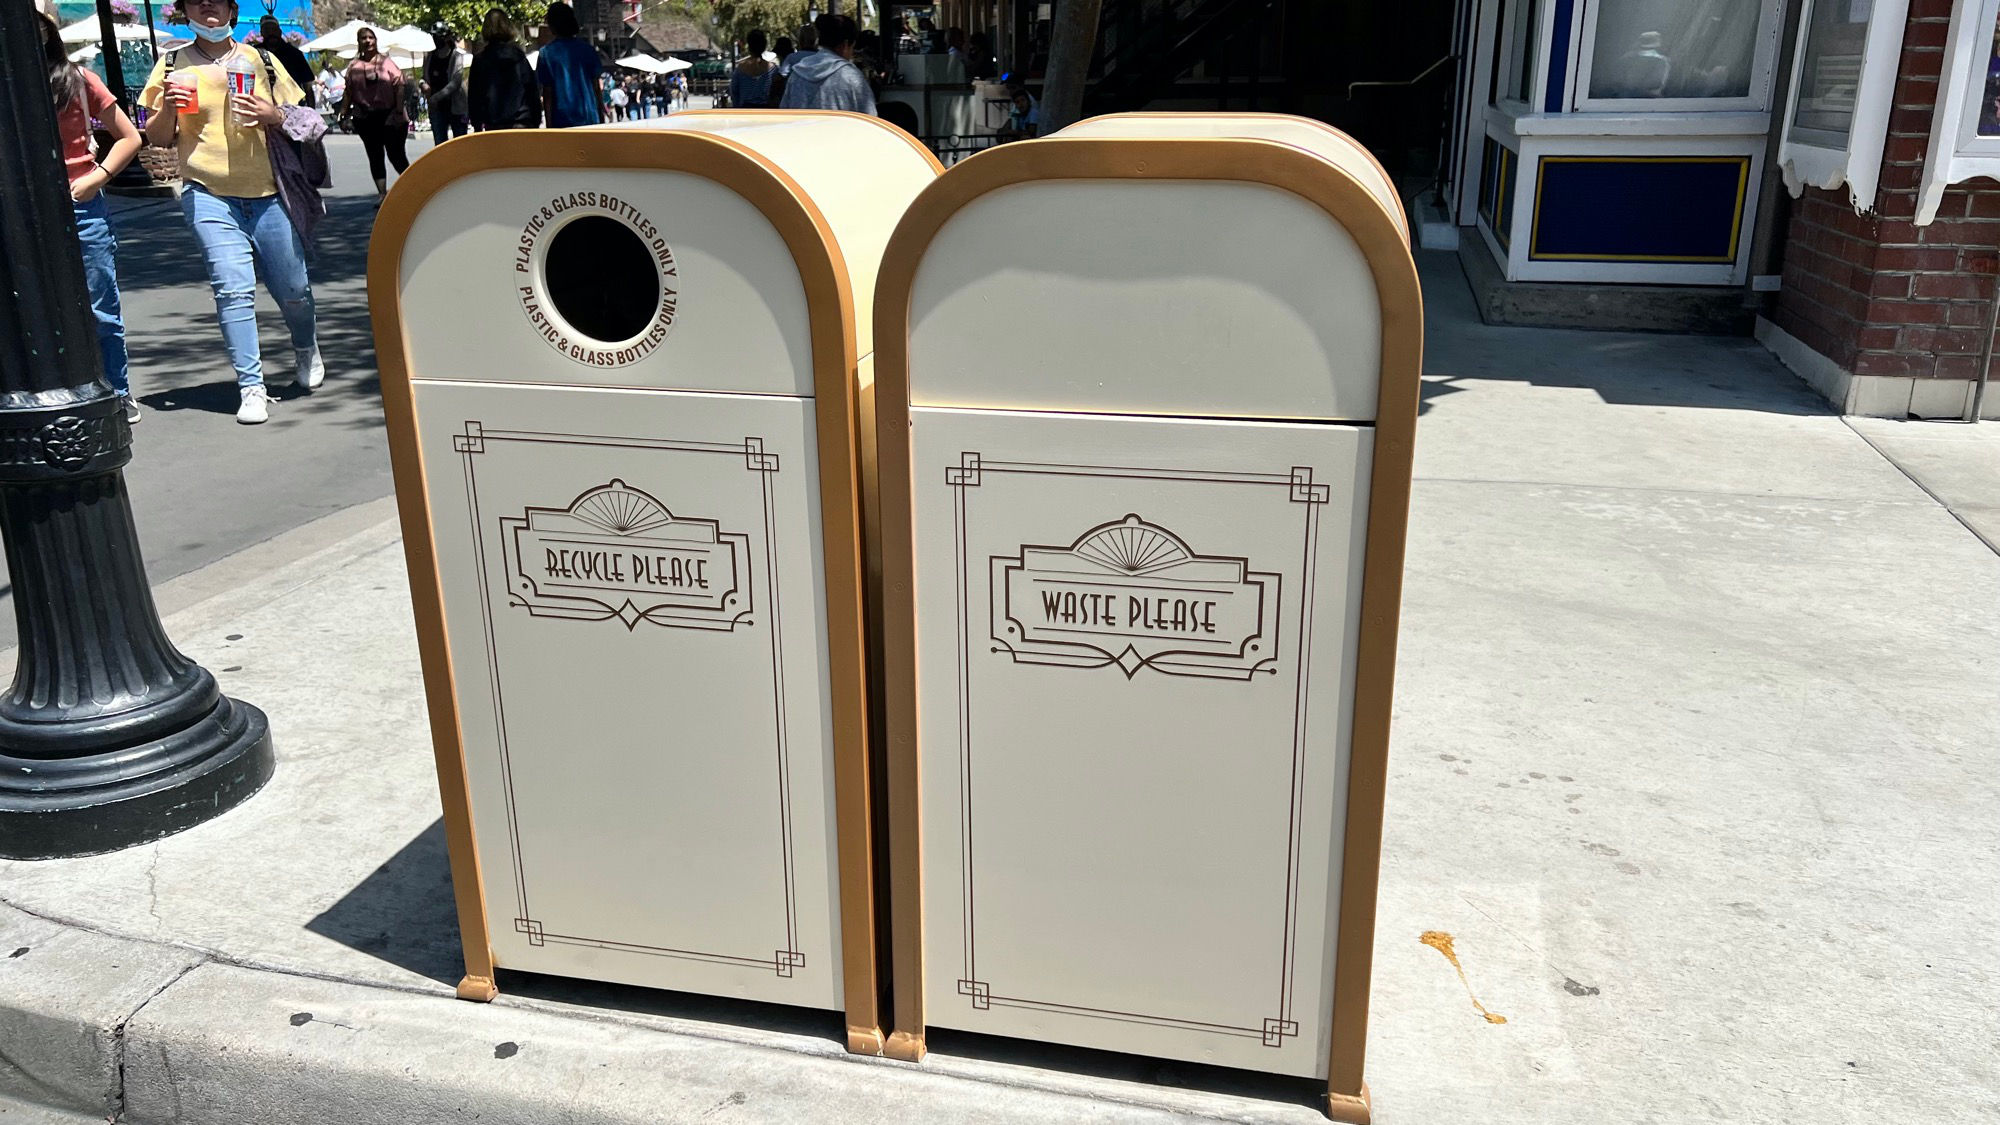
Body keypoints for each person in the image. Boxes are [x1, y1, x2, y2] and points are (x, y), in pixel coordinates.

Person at [141, 0, 320, 425]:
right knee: (232, 289)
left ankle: (305, 345)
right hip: (208, 193)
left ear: (230, 10)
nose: (208, 6)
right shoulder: (170, 63)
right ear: (186, 11)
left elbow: (300, 113)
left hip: (270, 192)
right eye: (196, 1)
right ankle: (251, 387)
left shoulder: (262, 60)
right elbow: (159, 139)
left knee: (293, 288)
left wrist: (270, 114)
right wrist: (167, 106)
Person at [41, 12, 142, 423]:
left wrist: (95, 179)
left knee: (101, 309)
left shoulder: (78, 80)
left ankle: (118, 392)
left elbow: (130, 137)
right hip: (26, 212)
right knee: (38, 311)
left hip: (82, 205)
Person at [339, 28, 409, 194]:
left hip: (390, 115)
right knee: (374, 155)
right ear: (359, 42)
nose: (368, 41)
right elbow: (348, 92)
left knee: (396, 155)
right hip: (365, 117)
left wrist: (399, 112)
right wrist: (343, 113)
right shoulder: (354, 67)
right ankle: (382, 194)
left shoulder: (387, 63)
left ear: (376, 40)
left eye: (371, 38)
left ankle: (413, 188)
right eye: (364, 38)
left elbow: (400, 86)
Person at [778, 13, 875, 114]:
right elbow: (871, 119)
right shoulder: (852, 77)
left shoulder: (797, 74)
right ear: (845, 45)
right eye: (852, 48)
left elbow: (785, 113)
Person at [469, 7, 540, 130]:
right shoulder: (518, 56)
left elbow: (474, 97)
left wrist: (477, 125)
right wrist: (535, 120)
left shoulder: (480, 60)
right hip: (522, 122)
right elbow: (531, 90)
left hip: (495, 126)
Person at [536, 2, 601, 127]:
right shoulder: (588, 50)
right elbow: (596, 88)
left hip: (562, 120)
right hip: (589, 117)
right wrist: (601, 116)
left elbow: (547, 94)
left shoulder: (547, 54)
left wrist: (549, 126)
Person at [423, 31, 470, 143]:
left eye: (439, 36)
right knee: (440, 144)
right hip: (437, 109)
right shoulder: (429, 56)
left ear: (447, 37)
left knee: (460, 143)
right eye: (434, 36)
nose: (436, 39)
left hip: (456, 107)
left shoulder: (456, 56)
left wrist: (436, 97)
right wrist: (422, 84)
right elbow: (424, 77)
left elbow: (455, 83)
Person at [258, 15, 315, 106]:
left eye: (274, 30)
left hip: (293, 108)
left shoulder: (295, 54)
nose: (271, 33)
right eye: (267, 30)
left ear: (280, 32)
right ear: (262, 33)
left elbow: (308, 87)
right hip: (264, 106)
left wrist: (312, 112)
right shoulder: (255, 53)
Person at [728, 30, 776, 108]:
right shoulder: (773, 70)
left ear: (749, 46)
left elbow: (734, 93)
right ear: (764, 46)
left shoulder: (740, 69)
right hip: (766, 112)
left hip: (745, 112)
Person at [772, 25, 813, 105]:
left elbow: (779, 78)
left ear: (800, 40)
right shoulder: (820, 57)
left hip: (795, 100)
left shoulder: (791, 58)